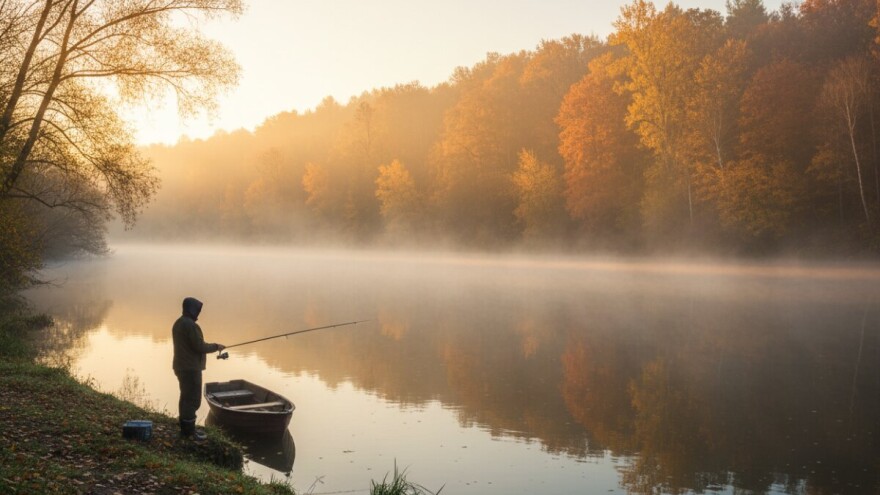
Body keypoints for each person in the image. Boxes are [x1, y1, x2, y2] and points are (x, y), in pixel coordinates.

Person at [172, 297, 225, 440]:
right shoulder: (190, 326)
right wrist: (216, 346)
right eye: (197, 310)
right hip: (190, 369)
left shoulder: (179, 323)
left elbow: (194, 344)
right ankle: (189, 433)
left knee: (185, 397)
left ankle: (185, 429)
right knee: (192, 399)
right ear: (191, 309)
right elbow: (199, 346)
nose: (198, 313)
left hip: (181, 366)